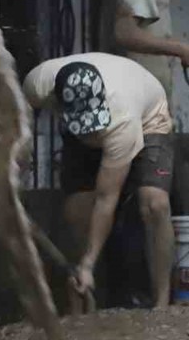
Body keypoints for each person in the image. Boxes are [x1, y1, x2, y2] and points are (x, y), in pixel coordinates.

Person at [23, 53, 176, 308]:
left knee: (154, 203)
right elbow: (19, 116)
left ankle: (162, 303)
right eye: (84, 126)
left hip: (149, 119)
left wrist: (88, 261)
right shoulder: (37, 84)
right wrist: (18, 160)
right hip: (92, 120)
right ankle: (87, 296)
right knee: (77, 211)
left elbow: (107, 199)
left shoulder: (122, 119)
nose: (91, 134)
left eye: (93, 125)